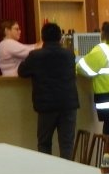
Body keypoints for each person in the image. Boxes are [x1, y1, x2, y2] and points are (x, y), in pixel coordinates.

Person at [17, 22, 79, 159]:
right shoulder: (69, 54)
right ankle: (68, 171)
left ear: (43, 37)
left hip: (46, 105)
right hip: (68, 104)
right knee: (67, 144)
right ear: (60, 37)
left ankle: (47, 170)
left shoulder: (35, 55)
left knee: (44, 143)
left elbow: (22, 72)